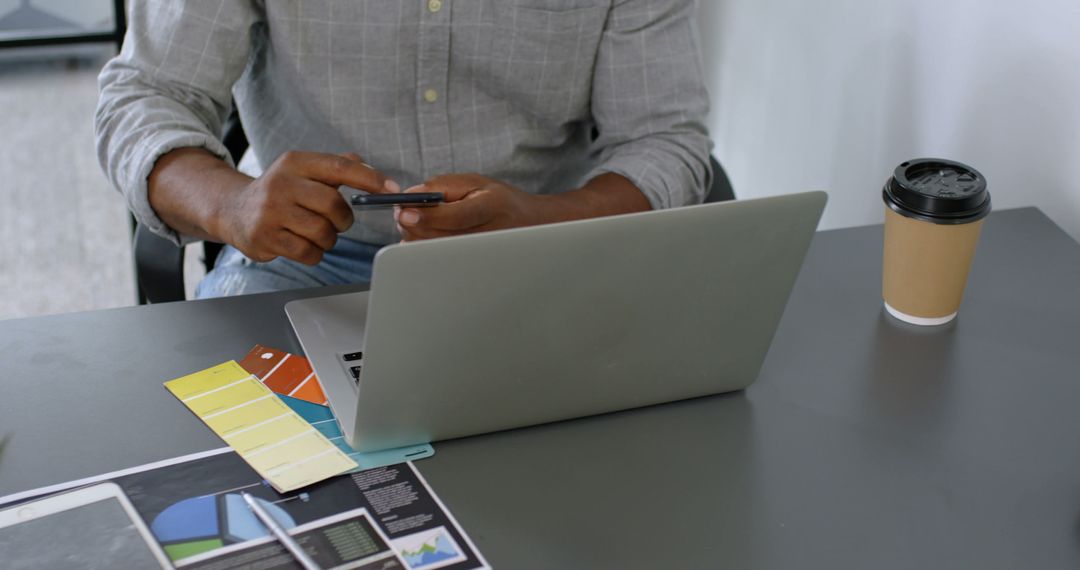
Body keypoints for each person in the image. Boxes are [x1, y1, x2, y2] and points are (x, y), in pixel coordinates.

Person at [96, 0, 712, 298]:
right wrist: (232, 205)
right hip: (307, 264)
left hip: (548, 258)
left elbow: (663, 140)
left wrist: (537, 219)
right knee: (262, 493)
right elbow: (145, 95)